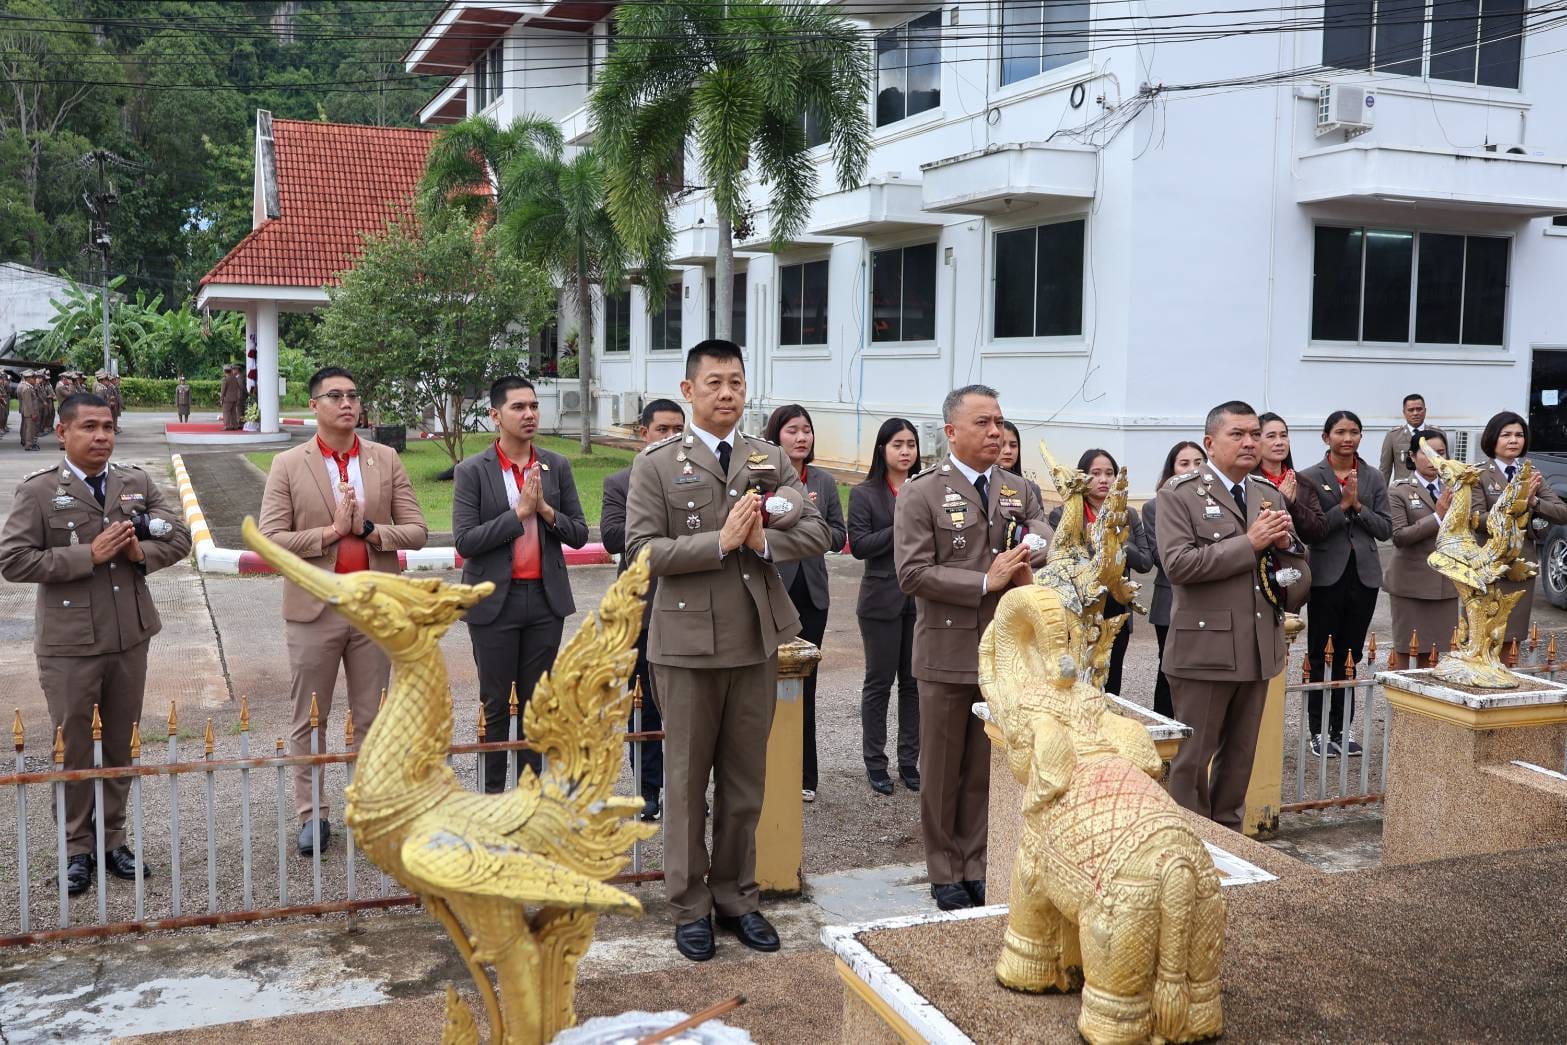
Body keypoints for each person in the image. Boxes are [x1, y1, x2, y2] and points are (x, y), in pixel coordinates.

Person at [625, 340, 831, 962]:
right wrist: (721, 541)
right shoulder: (658, 463)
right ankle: (689, 905)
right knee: (686, 784)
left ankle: (738, 898)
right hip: (686, 645)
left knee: (745, 784)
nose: (726, 393)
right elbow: (639, 553)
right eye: (713, 382)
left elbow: (817, 530)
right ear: (688, 391)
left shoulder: (768, 457)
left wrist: (763, 542)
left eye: (735, 382)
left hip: (753, 638)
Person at [0, 392, 191, 894]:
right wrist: (88, 554)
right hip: (69, 645)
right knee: (75, 748)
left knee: (122, 744)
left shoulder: (135, 483)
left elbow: (178, 538)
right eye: (89, 427)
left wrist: (139, 552)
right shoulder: (40, 491)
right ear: (63, 432)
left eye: (107, 426)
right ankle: (76, 850)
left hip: (129, 636)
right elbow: (14, 560)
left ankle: (113, 840)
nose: (101, 436)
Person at [258, 367, 428, 856]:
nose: (347, 403)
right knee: (310, 717)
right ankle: (312, 814)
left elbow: (416, 531)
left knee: (373, 714)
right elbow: (271, 539)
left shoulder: (384, 458)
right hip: (316, 608)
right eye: (335, 396)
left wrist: (370, 530)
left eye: (353, 395)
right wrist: (332, 532)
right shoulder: (289, 464)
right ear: (314, 405)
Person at [894, 384, 1052, 911]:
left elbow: (1042, 533)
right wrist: (985, 581)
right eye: (982, 422)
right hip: (947, 648)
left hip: (1005, 651)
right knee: (942, 769)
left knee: (985, 766)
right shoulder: (922, 492)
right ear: (951, 431)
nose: (995, 432)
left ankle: (977, 862)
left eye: (999, 422)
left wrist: (1034, 545)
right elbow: (912, 573)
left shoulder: (1017, 488)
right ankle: (943, 870)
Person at [1157, 401, 1310, 831]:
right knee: (1192, 761)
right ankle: (1191, 843)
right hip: (1205, 650)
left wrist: (1289, 555)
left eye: (1254, 434)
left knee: (1240, 760)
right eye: (1237, 434)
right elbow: (1178, 566)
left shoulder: (1267, 493)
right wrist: (1250, 543)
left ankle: (1229, 842)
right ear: (1210, 443)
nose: (1249, 442)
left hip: (1258, 646)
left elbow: (1295, 564)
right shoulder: (1179, 494)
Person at [454, 376, 589, 792]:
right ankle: (493, 799)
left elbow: (579, 533)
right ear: (495, 415)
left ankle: (530, 796)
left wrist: (545, 511)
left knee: (536, 704)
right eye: (518, 407)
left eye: (533, 406)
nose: (529, 414)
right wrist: (518, 515)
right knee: (496, 704)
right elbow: (466, 540)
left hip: (545, 602)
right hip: (494, 601)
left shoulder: (555, 465)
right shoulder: (473, 471)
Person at [600, 397, 686, 821]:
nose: (671, 437)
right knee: (643, 702)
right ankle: (647, 788)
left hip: (690, 605)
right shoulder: (621, 482)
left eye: (678, 430)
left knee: (688, 706)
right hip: (641, 608)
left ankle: (685, 789)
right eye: (662, 430)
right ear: (643, 433)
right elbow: (614, 536)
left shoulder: (696, 479)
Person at [1296, 410, 1391, 757]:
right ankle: (1319, 730)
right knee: (1322, 653)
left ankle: (1342, 728)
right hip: (1326, 577)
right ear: (1326, 437)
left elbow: (1385, 528)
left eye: (1354, 432)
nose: (1347, 438)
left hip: (1363, 576)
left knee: (1351, 653)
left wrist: (1358, 506)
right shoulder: (1309, 477)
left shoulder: (1373, 476)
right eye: (1340, 432)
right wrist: (1342, 506)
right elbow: (1311, 530)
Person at [764, 404, 847, 803]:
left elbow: (837, 535)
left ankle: (805, 774)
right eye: (792, 430)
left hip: (812, 595)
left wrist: (803, 523)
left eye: (806, 430)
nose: (801, 437)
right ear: (775, 436)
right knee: (764, 684)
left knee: (806, 685)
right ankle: (766, 770)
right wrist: (801, 527)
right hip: (771, 589)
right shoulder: (762, 479)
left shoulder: (823, 481)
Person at [848, 418, 922, 796]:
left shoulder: (925, 489)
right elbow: (860, 545)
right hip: (880, 600)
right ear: (883, 449)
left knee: (913, 684)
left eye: (911, 444)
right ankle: (876, 763)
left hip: (920, 600)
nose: (906, 451)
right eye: (898, 444)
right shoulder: (865, 494)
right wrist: (903, 521)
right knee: (879, 683)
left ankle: (909, 762)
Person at [1046, 448, 1151, 696]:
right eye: (1095, 473)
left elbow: (1145, 562)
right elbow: (1065, 561)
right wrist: (1099, 541)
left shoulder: (1127, 514)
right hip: (1079, 611)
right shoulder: (1065, 513)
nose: (1103, 480)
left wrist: (1116, 540)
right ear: (1083, 477)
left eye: (1109, 473)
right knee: (1076, 683)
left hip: (1115, 611)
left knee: (1110, 683)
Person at [1476, 411, 1567, 644]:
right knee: (1484, 638)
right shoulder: (1479, 475)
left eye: (1519, 435)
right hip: (1489, 565)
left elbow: (1562, 512)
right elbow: (1476, 519)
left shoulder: (1531, 474)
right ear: (1492, 438)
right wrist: (1515, 504)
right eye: (1506, 435)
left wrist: (1534, 502)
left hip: (1522, 565)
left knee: (1513, 638)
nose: (1513, 440)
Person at [1142, 440, 1206, 720]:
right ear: (1172, 469)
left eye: (1198, 463)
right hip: (1171, 600)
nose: (1192, 469)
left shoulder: (1218, 503)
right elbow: (1163, 558)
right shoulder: (1155, 507)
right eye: (1184, 463)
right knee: (1169, 671)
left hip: (1212, 601)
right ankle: (1165, 729)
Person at [1388, 429, 1459, 670]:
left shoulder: (1456, 488)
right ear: (1412, 456)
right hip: (1412, 585)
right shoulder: (1399, 490)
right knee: (1407, 651)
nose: (1434, 459)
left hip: (1445, 584)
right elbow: (1399, 536)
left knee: (1439, 654)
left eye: (1440, 453)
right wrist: (1437, 517)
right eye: (1427, 453)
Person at [1255, 413, 1328, 543]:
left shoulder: (1303, 482)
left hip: (1297, 553)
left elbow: (1319, 532)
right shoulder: (1247, 481)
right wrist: (1280, 500)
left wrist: (1293, 505)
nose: (1279, 442)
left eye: (1283, 435)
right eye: (1271, 436)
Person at [1379, 394, 1438, 483]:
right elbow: (1385, 470)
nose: (1415, 413)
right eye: (1411, 410)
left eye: (1419, 409)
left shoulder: (1437, 434)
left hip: (1430, 488)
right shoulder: (1393, 436)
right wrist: (1381, 491)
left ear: (1425, 411)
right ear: (1404, 412)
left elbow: (1445, 467)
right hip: (1403, 489)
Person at [997, 420, 1044, 505]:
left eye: (1013, 445)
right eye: (1001, 444)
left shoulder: (1031, 489)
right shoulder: (982, 487)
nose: (1008, 451)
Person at [18, 371, 41, 451]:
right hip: (30, 413)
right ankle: (28, 445)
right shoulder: (26, 388)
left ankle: (31, 443)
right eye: (33, 378)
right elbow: (28, 403)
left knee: (31, 429)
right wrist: (32, 413)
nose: (35, 379)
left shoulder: (30, 387)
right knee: (29, 429)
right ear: (28, 379)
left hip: (31, 412)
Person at [220, 364, 244, 430]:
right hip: (235, 398)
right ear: (230, 371)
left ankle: (227, 426)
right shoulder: (235, 378)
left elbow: (223, 390)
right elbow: (238, 388)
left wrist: (221, 399)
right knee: (234, 413)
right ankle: (235, 426)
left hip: (227, 399)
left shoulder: (225, 379)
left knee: (226, 412)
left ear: (224, 371)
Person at [0, 370, 11, 434]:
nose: (2, 380)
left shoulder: (2, 385)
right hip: (2, 401)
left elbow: (9, 391)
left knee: (5, 414)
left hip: (5, 400)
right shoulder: (2, 385)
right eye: (1, 378)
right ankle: (1, 427)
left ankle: (3, 426)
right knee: (2, 416)